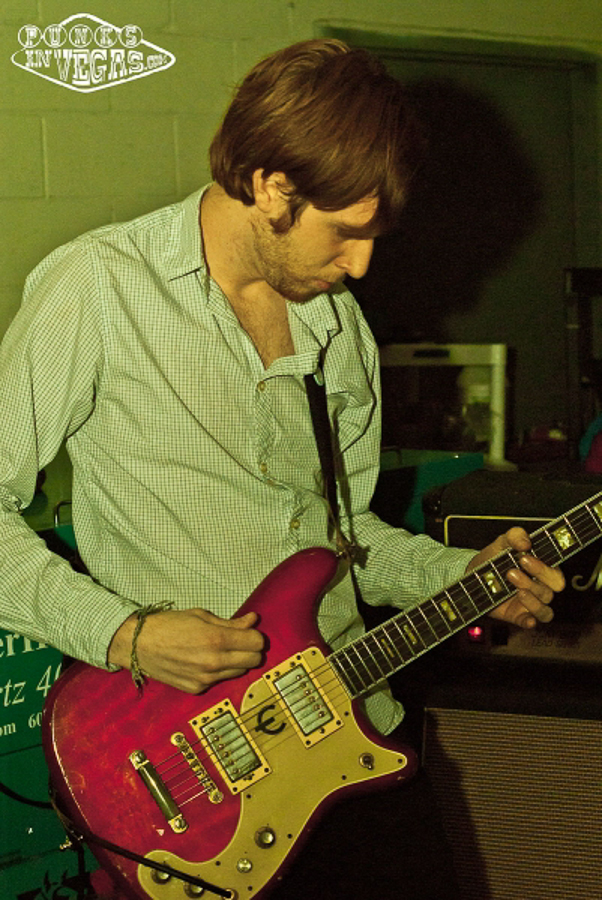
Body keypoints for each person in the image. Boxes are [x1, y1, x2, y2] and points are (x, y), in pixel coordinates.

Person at [0, 39, 563, 899]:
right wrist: (125, 634)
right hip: (191, 776)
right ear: (270, 187)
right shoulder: (99, 289)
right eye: (345, 232)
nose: (361, 265)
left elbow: (346, 536)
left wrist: (463, 576)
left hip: (352, 734)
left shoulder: (338, 325)